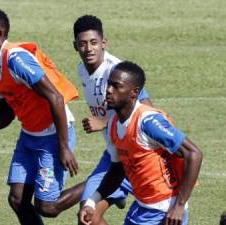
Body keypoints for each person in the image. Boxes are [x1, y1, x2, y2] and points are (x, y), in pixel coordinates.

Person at [0, 7, 86, 225]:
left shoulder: (16, 59)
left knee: (48, 207)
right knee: (17, 199)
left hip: (53, 135)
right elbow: (7, 110)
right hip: (29, 136)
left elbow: (56, 98)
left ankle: (103, 183)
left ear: (0, 34)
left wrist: (64, 146)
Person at [78, 61, 203, 225]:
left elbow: (194, 154)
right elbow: (117, 171)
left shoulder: (148, 122)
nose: (108, 90)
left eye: (116, 86)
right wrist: (92, 202)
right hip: (143, 207)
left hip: (165, 211)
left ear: (134, 93)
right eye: (109, 84)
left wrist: (179, 206)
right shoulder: (113, 124)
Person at [73, 15, 153, 225]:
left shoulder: (117, 71)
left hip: (137, 155)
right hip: (113, 155)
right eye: (83, 44)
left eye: (93, 43)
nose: (89, 49)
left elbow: (148, 110)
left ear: (103, 43)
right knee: (87, 216)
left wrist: (104, 122)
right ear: (75, 46)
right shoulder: (82, 70)